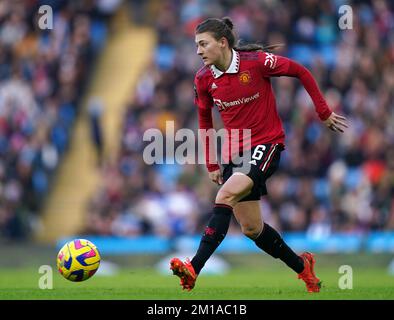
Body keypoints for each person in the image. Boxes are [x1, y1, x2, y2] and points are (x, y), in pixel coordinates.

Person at [170, 17, 348, 293]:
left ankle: (194, 267)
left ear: (222, 43)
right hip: (236, 153)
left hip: (267, 144)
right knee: (252, 229)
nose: (198, 51)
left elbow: (301, 71)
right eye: (196, 45)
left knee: (224, 196)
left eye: (203, 44)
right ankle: (303, 268)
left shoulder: (256, 63)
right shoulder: (203, 79)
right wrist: (212, 162)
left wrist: (323, 111)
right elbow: (204, 120)